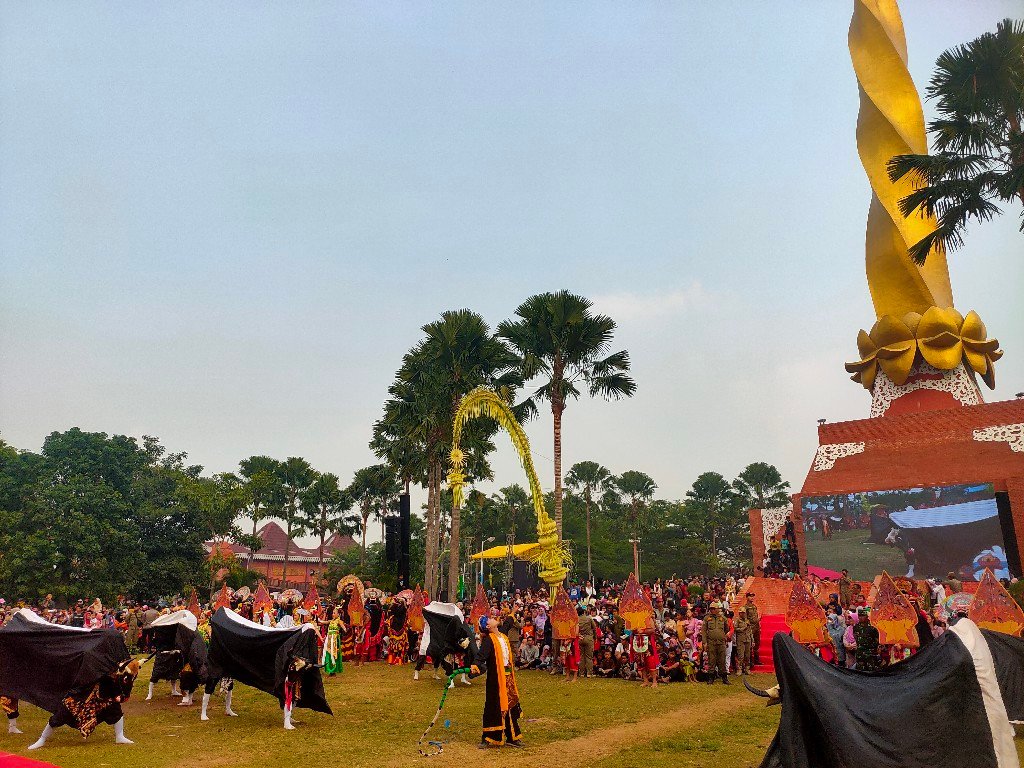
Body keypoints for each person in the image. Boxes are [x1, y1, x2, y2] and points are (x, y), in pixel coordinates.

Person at [28, 659, 140, 750]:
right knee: (61, 715)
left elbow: (121, 688)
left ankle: (120, 737)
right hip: (83, 696)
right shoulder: (98, 665)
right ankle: (42, 740)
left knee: (115, 710)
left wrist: (118, 695)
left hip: (101, 700)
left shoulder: (118, 672)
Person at [469, 615, 523, 748]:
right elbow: (481, 656)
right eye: (490, 619)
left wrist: (513, 612)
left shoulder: (503, 636)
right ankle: (488, 737)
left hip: (509, 678)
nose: (493, 618)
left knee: (511, 706)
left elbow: (507, 624)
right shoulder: (488, 640)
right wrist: (475, 666)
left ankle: (512, 737)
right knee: (493, 707)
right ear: (488, 627)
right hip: (496, 680)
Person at [702, 602, 732, 684]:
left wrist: (722, 636)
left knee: (722, 659)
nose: (712, 610)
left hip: (721, 642)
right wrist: (704, 642)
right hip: (711, 642)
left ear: (717, 609)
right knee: (711, 660)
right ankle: (711, 678)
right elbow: (704, 631)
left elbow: (726, 629)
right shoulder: (707, 618)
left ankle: (724, 678)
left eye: (713, 609)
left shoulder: (723, 618)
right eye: (711, 609)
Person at [322, 607, 345, 676]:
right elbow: (322, 622)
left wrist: (345, 629)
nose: (333, 614)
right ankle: (330, 669)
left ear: (338, 614)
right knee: (328, 654)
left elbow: (344, 628)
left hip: (335, 640)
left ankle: (334, 670)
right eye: (332, 613)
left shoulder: (339, 621)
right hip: (329, 639)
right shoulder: (330, 621)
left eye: (334, 613)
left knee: (334, 654)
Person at [577, 605, 596, 678]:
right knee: (589, 657)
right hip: (588, 638)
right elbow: (594, 628)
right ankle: (589, 673)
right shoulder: (589, 618)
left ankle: (581, 673)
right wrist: (595, 637)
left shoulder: (577, 619)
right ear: (584, 612)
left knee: (581, 656)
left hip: (580, 638)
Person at [733, 607, 752, 675]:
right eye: (741, 613)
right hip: (740, 640)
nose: (743, 614)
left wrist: (752, 640)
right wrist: (744, 628)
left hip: (748, 639)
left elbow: (750, 631)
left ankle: (747, 668)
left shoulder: (747, 620)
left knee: (747, 655)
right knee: (740, 655)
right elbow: (735, 629)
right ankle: (739, 669)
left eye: (744, 613)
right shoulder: (737, 620)